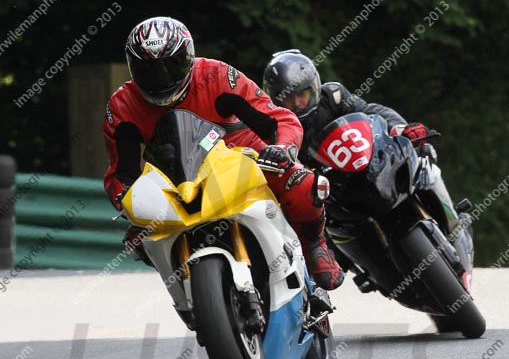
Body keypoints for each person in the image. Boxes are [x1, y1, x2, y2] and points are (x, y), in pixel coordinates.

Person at [102, 18, 344, 291]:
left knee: (302, 185)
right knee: (139, 238)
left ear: (189, 57)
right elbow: (121, 172)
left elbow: (277, 119)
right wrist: (125, 199)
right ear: (132, 68)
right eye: (149, 71)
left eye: (172, 66)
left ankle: (315, 246)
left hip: (243, 158)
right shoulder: (122, 105)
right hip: (175, 179)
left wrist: (282, 149)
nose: (163, 79)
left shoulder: (215, 75)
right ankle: (186, 290)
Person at [263, 49, 473, 259]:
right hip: (329, 192)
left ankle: (453, 222)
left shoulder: (333, 97)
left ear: (315, 87)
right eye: (290, 98)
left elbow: (370, 111)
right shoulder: (271, 127)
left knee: (425, 157)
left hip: (366, 166)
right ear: (276, 99)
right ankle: (347, 265)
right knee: (311, 231)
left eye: (303, 94)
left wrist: (402, 128)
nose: (299, 102)